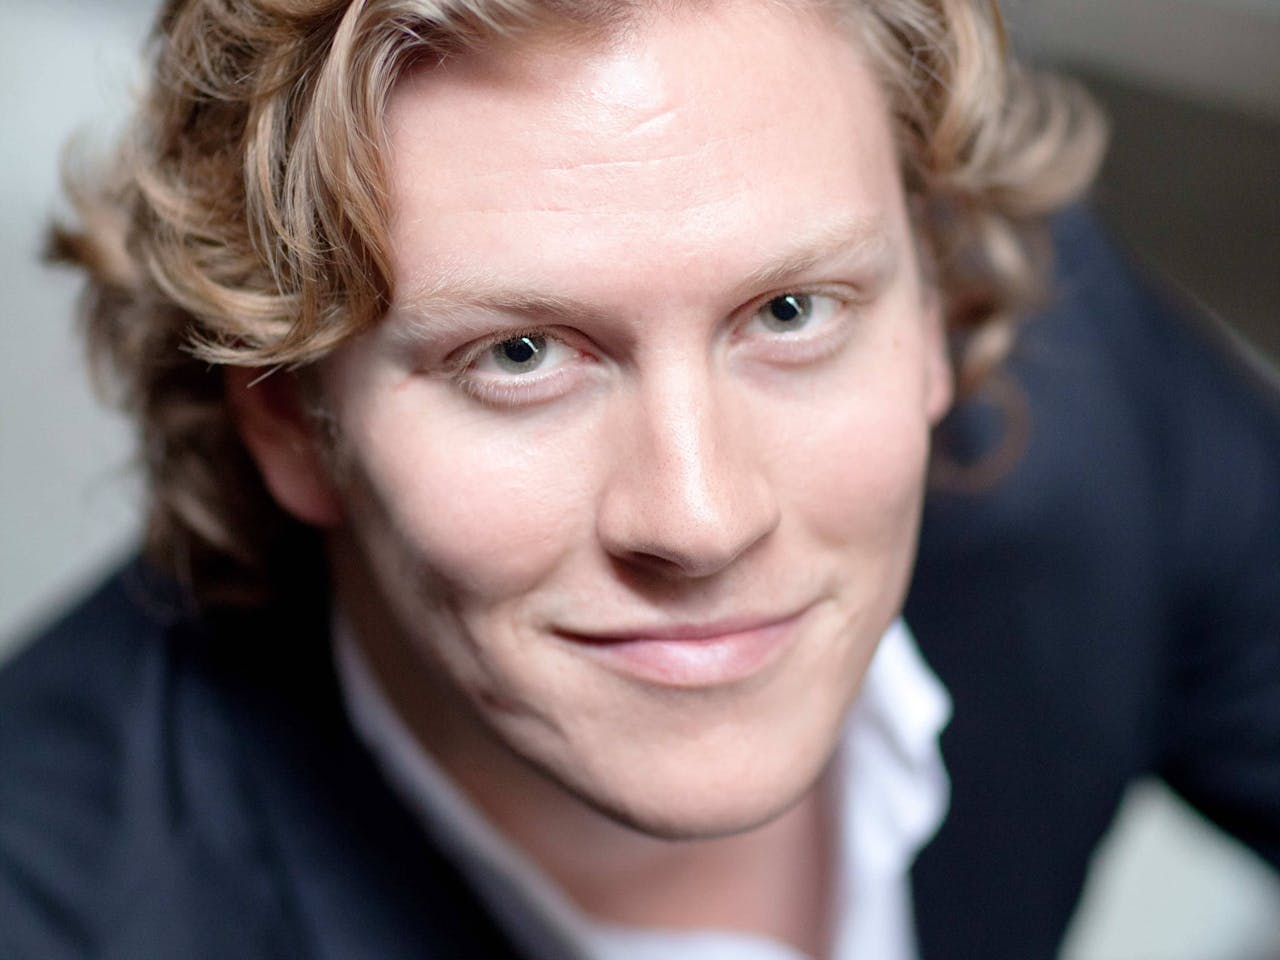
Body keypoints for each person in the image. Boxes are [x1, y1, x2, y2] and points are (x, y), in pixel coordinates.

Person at [2, 1, 1277, 959]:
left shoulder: (1093, 405)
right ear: (289, 421)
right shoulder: (60, 900)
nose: (700, 518)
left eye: (788, 312)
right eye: (518, 355)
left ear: (934, 303)